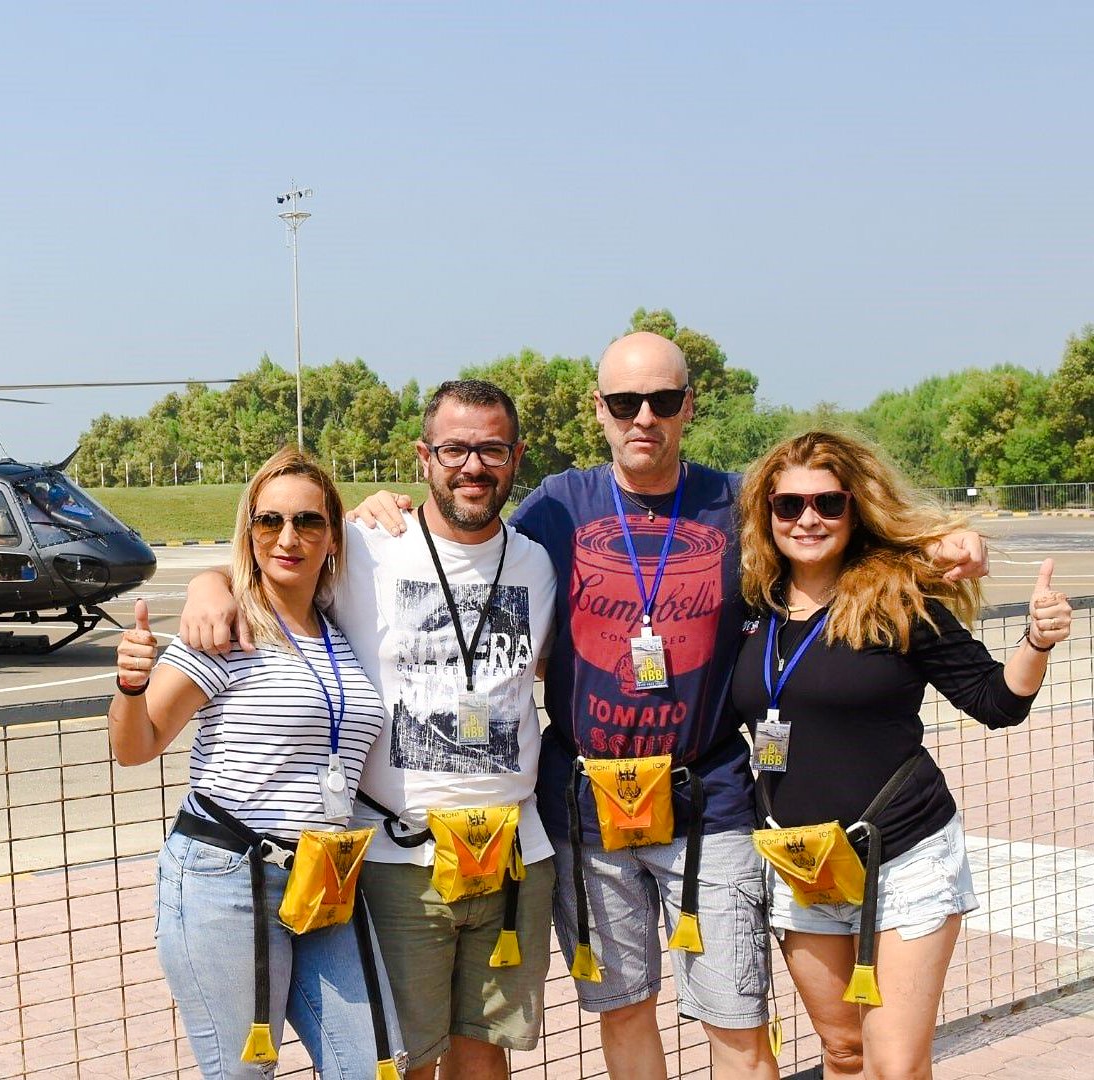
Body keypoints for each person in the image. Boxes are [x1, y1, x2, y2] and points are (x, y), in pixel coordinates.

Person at [341, 332, 988, 1080]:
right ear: (600, 412)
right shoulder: (557, 508)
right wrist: (375, 505)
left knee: (736, 1017)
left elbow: (834, 531)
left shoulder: (737, 504)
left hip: (708, 802)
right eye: (624, 401)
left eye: (661, 400)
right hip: (586, 805)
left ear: (689, 406)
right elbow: (453, 535)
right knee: (624, 1010)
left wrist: (946, 539)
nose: (642, 416)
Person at [180, 381, 558, 1079]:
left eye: (492, 449)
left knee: (485, 1055)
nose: (473, 466)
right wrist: (209, 585)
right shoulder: (366, 547)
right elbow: (269, 564)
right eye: (454, 448)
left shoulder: (536, 563)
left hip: (512, 852)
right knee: (403, 1060)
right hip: (398, 858)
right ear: (424, 456)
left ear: (516, 457)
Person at [729, 430, 1070, 1077]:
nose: (808, 519)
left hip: (906, 858)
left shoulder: (898, 597)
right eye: (790, 505)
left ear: (855, 508)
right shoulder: (750, 606)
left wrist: (1037, 638)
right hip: (803, 862)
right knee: (843, 1052)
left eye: (828, 504)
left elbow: (996, 700)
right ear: (765, 512)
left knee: (895, 1063)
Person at [111, 447, 405, 1079]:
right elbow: (135, 747)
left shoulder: (339, 629)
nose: (288, 538)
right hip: (228, 877)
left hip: (325, 877)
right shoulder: (227, 626)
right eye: (269, 522)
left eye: (308, 522)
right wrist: (131, 688)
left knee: (375, 1067)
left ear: (333, 534)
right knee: (245, 1073)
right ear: (248, 531)